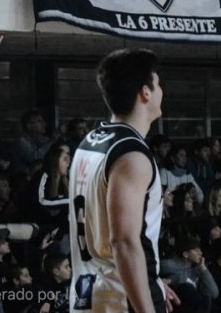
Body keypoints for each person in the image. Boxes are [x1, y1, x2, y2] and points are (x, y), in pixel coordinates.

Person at [68, 49, 178, 313]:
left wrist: (154, 282)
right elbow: (124, 242)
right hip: (120, 298)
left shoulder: (90, 142)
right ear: (145, 92)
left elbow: (104, 231)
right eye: (158, 82)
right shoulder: (131, 156)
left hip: (86, 290)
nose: (162, 90)